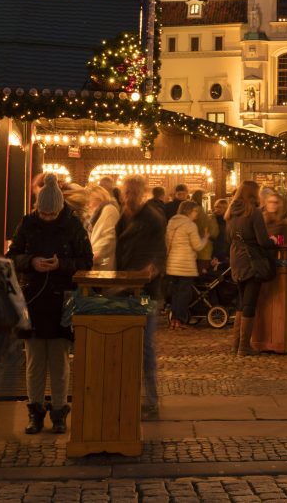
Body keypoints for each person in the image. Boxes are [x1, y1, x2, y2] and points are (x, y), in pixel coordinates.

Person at [7, 173, 92, 434]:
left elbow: (86, 262)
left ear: (59, 208)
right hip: (33, 299)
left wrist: (61, 265)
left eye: (50, 213)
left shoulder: (73, 225)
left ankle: (58, 413)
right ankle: (35, 412)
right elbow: (12, 256)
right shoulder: (27, 223)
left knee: (59, 360)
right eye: (42, 213)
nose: (46, 217)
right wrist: (31, 261)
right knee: (34, 362)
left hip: (62, 299)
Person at [116, 175, 166, 417]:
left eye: (134, 192)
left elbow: (159, 252)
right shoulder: (121, 218)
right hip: (122, 289)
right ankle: (125, 394)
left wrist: (152, 269)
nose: (129, 197)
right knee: (124, 344)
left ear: (142, 193)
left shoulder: (153, 219)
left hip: (145, 293)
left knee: (145, 345)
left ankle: (150, 399)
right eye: (127, 192)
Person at [226, 181, 273, 356]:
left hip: (236, 259)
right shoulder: (253, 212)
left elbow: (228, 238)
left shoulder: (231, 212)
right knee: (249, 303)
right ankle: (244, 347)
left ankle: (236, 344)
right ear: (253, 194)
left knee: (241, 302)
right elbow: (262, 241)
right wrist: (272, 242)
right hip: (252, 261)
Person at [166, 200, 206, 329]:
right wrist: (205, 238)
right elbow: (198, 246)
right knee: (184, 294)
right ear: (188, 211)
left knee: (176, 293)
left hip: (172, 264)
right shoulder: (190, 225)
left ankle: (174, 320)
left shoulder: (171, 222)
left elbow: (166, 243)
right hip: (185, 265)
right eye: (195, 211)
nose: (196, 214)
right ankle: (181, 320)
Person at [87, 184, 120, 270]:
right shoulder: (96, 215)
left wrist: (93, 257)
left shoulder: (109, 210)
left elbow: (109, 239)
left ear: (99, 198)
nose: (88, 205)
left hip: (103, 267)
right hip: (98, 265)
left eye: (90, 201)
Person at [192, 191, 217, 273]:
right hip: (204, 251)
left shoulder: (188, 214)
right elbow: (214, 233)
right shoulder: (206, 216)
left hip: (191, 252)